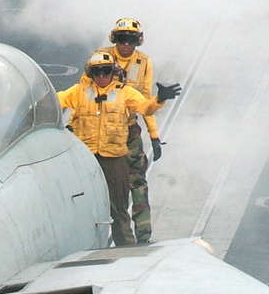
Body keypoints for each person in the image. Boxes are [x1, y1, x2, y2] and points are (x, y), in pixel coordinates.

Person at [57, 52, 180, 247]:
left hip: (114, 159)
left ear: (113, 72)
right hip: (84, 158)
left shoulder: (125, 93)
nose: (101, 76)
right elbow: (56, 101)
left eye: (106, 71)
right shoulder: (78, 91)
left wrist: (159, 100)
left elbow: (145, 108)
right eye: (97, 72)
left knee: (119, 208)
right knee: (74, 205)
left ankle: (127, 251)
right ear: (90, 73)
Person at [97, 18, 162, 243]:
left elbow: (145, 100)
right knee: (108, 188)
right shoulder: (100, 58)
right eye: (122, 38)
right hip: (104, 132)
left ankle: (143, 237)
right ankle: (118, 236)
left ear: (138, 41)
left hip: (130, 131)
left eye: (131, 39)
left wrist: (153, 134)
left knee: (138, 184)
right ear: (115, 38)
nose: (126, 44)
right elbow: (84, 93)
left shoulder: (143, 63)